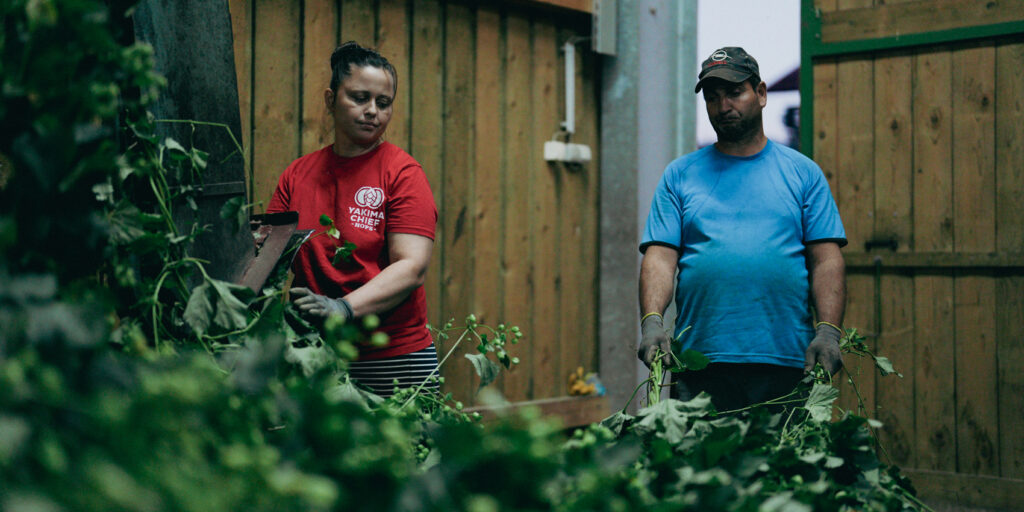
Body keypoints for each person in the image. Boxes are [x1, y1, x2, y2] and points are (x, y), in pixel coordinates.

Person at [637, 47, 847, 412]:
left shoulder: (803, 173)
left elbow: (826, 260)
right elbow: (660, 258)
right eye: (713, 97)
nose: (723, 106)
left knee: (782, 469)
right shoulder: (679, 175)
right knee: (697, 468)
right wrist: (652, 322)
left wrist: (828, 332)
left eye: (735, 93)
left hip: (785, 360)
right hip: (700, 361)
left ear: (761, 94)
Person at [267, 41, 438, 397]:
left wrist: (343, 308)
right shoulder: (296, 175)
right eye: (360, 98)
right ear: (331, 100)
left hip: (394, 356)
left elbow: (412, 266)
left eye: (383, 102)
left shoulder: (402, 172)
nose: (372, 111)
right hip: (319, 357)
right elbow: (268, 258)